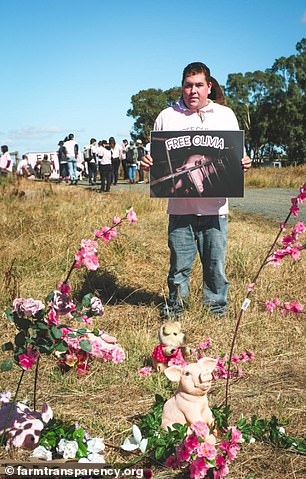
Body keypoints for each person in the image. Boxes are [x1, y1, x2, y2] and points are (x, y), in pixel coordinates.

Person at [141, 62, 252, 318]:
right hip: (180, 209)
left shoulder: (225, 115)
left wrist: (244, 163)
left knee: (215, 265)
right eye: (188, 85)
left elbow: (239, 156)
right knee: (179, 265)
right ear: (182, 87)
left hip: (216, 208)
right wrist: (145, 162)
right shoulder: (166, 117)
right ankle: (176, 311)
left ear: (209, 87)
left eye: (199, 85)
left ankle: (216, 311)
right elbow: (152, 157)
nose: (193, 91)